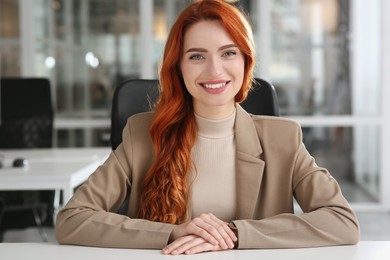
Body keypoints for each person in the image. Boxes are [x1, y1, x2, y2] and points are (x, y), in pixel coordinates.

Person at [56, 0, 360, 255]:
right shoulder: (142, 134)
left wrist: (235, 233)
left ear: (245, 61)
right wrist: (172, 233)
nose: (214, 70)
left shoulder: (283, 138)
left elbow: (341, 221)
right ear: (178, 67)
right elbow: (72, 220)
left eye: (228, 53)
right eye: (197, 56)